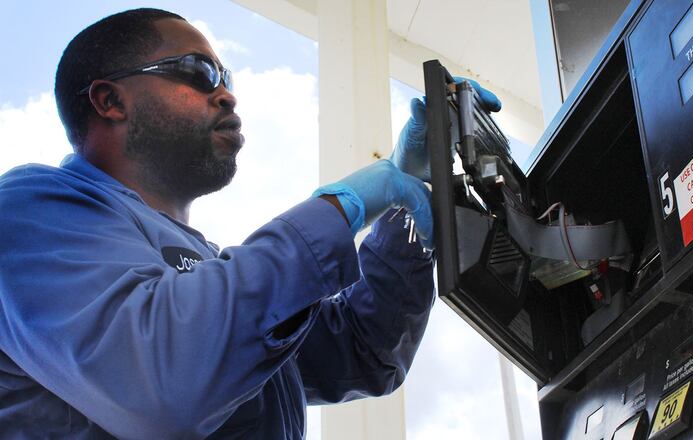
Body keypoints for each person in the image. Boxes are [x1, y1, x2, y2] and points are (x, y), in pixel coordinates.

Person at [0, 8, 500, 439]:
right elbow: (161, 379)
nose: (226, 96)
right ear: (110, 101)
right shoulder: (29, 209)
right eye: (198, 72)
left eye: (227, 79)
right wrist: (339, 207)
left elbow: (362, 351)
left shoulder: (207, 277)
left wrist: (404, 205)